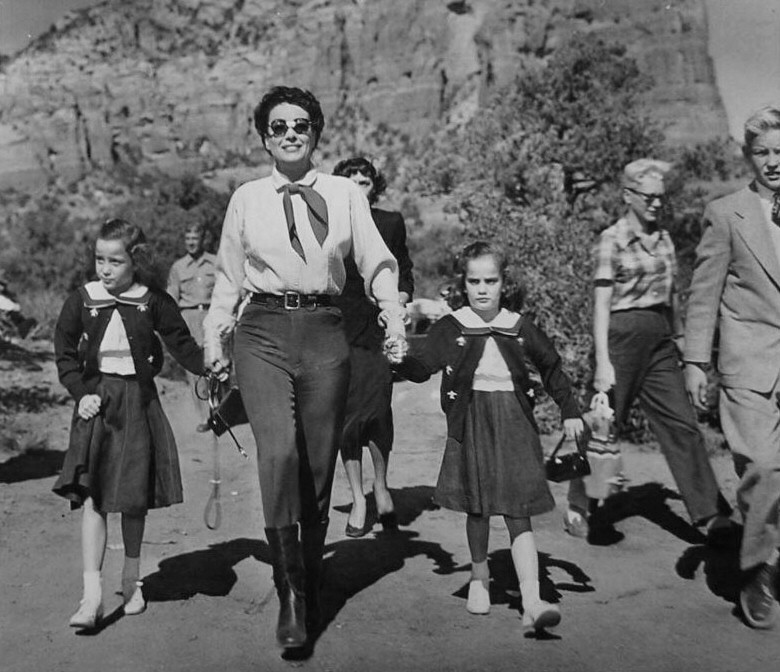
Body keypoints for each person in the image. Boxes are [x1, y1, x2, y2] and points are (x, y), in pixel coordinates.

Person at [203, 86, 406, 651]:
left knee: (319, 461)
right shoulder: (246, 197)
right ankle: (289, 589)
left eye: (300, 124)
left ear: (315, 132)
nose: (289, 134)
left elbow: (376, 261)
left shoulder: (343, 193)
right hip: (262, 331)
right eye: (277, 127)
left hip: (324, 330)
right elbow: (228, 275)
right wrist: (215, 338)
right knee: (279, 453)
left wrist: (393, 318)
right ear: (264, 137)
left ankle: (310, 572)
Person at [394, 241, 583, 632]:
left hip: (515, 423)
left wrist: (570, 411)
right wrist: (397, 361)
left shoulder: (518, 327)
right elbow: (423, 365)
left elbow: (551, 368)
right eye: (475, 280)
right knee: (477, 507)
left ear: (503, 282)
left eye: (491, 281)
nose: (482, 289)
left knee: (518, 511)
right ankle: (479, 577)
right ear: (464, 282)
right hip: (471, 421)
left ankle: (531, 597)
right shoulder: (453, 326)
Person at [566, 158, 732, 543]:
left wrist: (681, 346)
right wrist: (603, 361)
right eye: (648, 197)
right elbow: (601, 304)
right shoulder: (612, 238)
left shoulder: (665, 240)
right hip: (620, 337)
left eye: (661, 197)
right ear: (628, 196)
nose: (657, 204)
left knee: (682, 423)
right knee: (603, 423)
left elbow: (673, 298)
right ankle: (580, 502)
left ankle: (709, 513)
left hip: (659, 338)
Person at [52, 218, 205, 629]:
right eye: (99, 259)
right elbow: (64, 352)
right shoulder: (82, 300)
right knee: (95, 498)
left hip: (138, 402)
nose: (105, 268)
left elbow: (183, 344)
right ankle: (92, 596)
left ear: (135, 261)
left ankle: (130, 580)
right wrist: (80, 392)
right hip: (97, 404)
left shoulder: (151, 300)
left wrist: (214, 368)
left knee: (133, 498)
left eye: (115, 261)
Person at [684, 106, 780, 629]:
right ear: (748, 157)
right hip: (749, 362)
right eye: (762, 152)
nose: (773, 162)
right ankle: (757, 570)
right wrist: (696, 360)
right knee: (762, 467)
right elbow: (704, 294)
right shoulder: (726, 214)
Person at [331, 157, 414, 537]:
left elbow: (405, 270)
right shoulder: (329, 226)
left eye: (365, 181)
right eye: (351, 180)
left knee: (377, 410)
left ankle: (380, 486)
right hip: (336, 328)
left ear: (373, 186)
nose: (359, 185)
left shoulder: (390, 222)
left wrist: (399, 300)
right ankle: (358, 498)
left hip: (375, 328)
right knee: (345, 416)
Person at [167, 222, 217, 432]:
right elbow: (171, 298)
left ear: (203, 240)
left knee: (217, 362)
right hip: (188, 317)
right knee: (196, 368)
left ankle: (219, 409)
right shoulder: (178, 267)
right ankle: (206, 416)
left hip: (212, 315)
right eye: (187, 240)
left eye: (194, 239)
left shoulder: (215, 262)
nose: (191, 244)